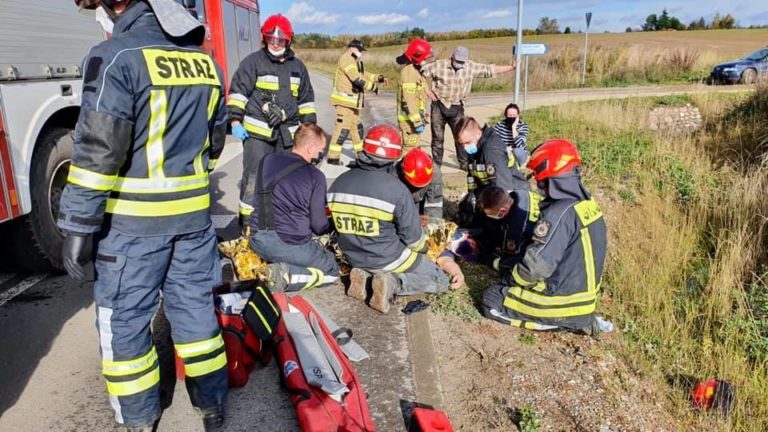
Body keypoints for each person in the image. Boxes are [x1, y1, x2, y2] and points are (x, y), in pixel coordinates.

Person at [62, 0, 228, 430]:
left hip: (132, 230)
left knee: (125, 325)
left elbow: (99, 152)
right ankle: (211, 406)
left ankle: (139, 421)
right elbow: (215, 143)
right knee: (196, 315)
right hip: (194, 223)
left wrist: (78, 225)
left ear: (118, 5)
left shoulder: (117, 56)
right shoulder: (206, 65)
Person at [482, 139, 609, 334]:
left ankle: (561, 323)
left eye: (540, 180)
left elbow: (534, 270)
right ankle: (579, 319)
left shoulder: (559, 214)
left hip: (562, 303)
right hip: (585, 301)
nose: (538, 186)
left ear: (552, 179)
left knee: (491, 298)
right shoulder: (588, 205)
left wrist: (508, 280)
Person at [327, 124, 450, 313]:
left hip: (353, 256)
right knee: (439, 280)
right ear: (395, 157)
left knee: (380, 258)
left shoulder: (338, 183)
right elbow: (413, 239)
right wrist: (425, 251)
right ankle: (393, 284)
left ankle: (365, 277)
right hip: (388, 257)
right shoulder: (395, 189)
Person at [227, 14, 317, 221]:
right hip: (258, 137)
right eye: (271, 39)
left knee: (286, 179)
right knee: (253, 179)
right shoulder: (252, 63)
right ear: (264, 39)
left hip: (288, 136)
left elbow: (306, 101)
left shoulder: (298, 67)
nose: (275, 43)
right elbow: (238, 93)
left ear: (289, 40)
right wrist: (234, 121)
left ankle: (280, 222)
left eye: (280, 40)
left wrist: (310, 133)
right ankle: (248, 224)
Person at [249, 123, 340, 292]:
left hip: (257, 239)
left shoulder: (267, 160)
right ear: (310, 148)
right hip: (287, 244)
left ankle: (273, 264)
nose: (321, 154)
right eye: (320, 150)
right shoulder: (315, 176)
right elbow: (319, 226)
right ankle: (285, 275)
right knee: (332, 270)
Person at [420, 46, 516, 170]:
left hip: (457, 106)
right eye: (458, 61)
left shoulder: (470, 67)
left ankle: (464, 165)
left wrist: (511, 67)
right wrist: (427, 90)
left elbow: (489, 70)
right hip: (439, 105)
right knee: (437, 138)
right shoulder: (439, 65)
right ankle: (437, 166)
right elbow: (421, 72)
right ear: (453, 57)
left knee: (461, 137)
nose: (460, 64)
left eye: (462, 61)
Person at [327, 39, 387, 165]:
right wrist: (373, 87)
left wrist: (378, 78)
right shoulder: (346, 59)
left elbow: (364, 74)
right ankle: (333, 157)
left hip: (353, 103)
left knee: (357, 128)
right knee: (342, 130)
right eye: (359, 50)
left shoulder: (355, 61)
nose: (361, 53)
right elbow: (356, 78)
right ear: (352, 48)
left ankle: (360, 153)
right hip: (344, 102)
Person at [476, 186, 541, 269]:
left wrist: (489, 260)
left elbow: (510, 258)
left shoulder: (515, 230)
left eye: (490, 214)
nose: (488, 216)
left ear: (503, 210)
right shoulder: (521, 193)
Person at [396, 38, 433, 152]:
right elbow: (409, 99)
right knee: (409, 150)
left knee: (415, 147)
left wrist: (427, 90)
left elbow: (420, 84)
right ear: (418, 57)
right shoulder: (409, 72)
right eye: (425, 57)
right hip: (409, 120)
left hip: (414, 118)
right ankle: (404, 169)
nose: (427, 59)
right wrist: (417, 121)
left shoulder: (416, 69)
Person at [397, 148, 443, 226]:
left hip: (421, 202)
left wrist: (432, 228)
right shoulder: (394, 175)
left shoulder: (435, 173)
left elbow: (434, 206)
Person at [493, 103, 530, 167]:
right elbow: (495, 141)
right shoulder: (500, 125)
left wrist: (514, 127)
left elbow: (520, 145)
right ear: (505, 115)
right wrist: (505, 149)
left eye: (514, 115)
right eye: (509, 115)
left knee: (517, 151)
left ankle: (522, 167)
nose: (512, 117)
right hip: (504, 151)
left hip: (519, 153)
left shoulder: (523, 126)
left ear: (518, 116)